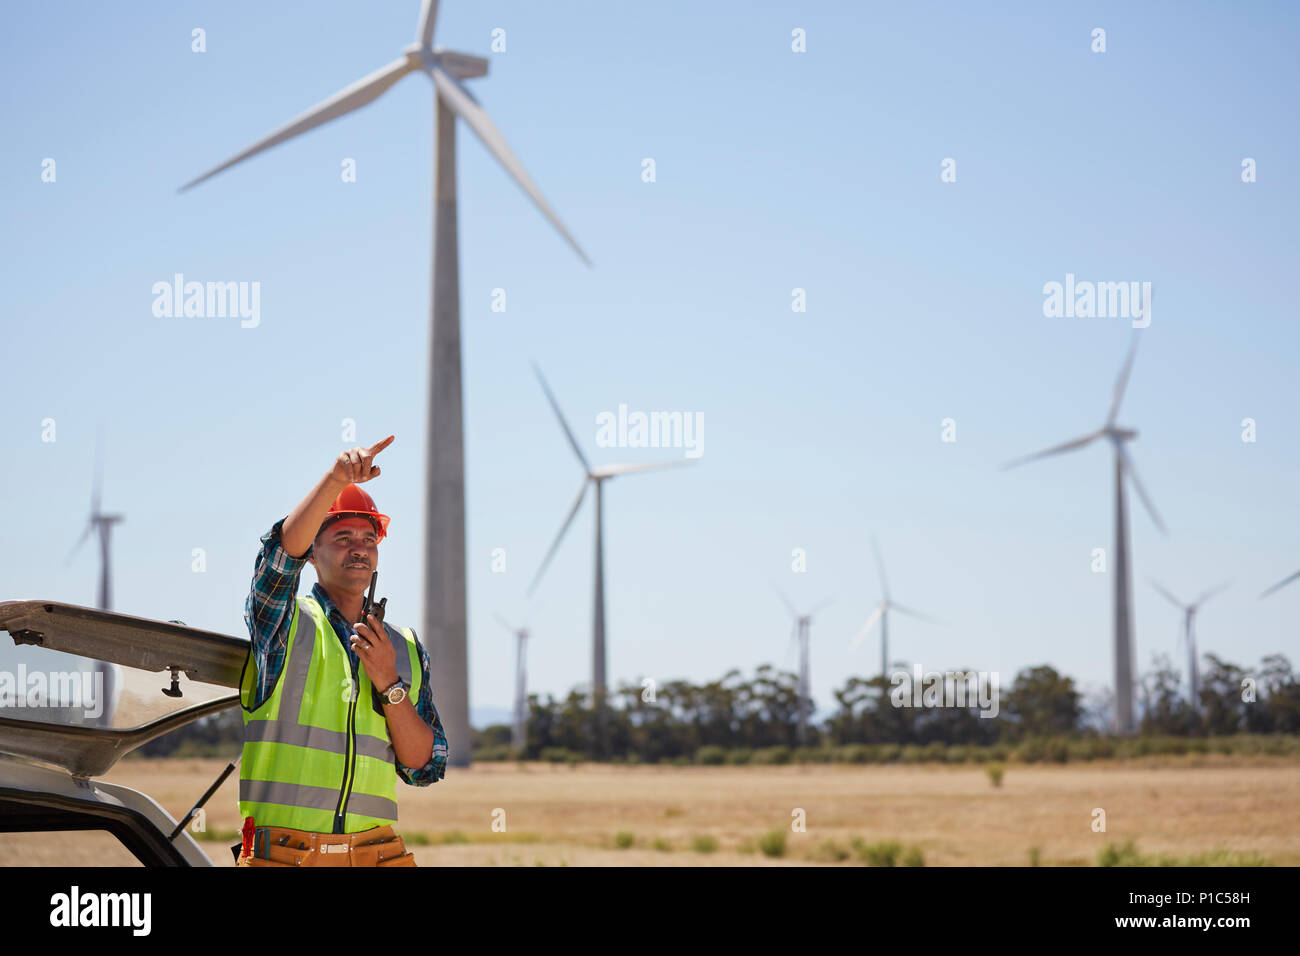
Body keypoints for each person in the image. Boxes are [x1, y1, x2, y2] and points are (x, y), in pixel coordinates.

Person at [235, 434, 447, 866]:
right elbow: (277, 563)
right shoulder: (284, 625)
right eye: (343, 537)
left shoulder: (403, 648)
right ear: (312, 551)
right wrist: (335, 480)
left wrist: (389, 683)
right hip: (286, 857)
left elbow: (423, 767)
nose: (359, 548)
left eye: (368, 539)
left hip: (375, 856)